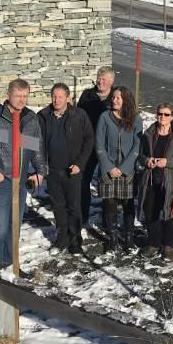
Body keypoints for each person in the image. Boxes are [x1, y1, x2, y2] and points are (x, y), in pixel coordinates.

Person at [0, 78, 44, 269]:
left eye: (25, 96)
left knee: (14, 230)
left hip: (20, 183)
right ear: (8, 95)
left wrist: (40, 172)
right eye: (18, 96)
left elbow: (35, 148)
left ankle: (11, 268)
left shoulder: (30, 118)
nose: (21, 100)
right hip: (0, 183)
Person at [37, 83, 95, 255]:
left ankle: (75, 239)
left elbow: (89, 139)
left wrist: (80, 163)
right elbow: (35, 141)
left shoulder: (78, 115)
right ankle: (62, 237)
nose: (56, 100)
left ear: (68, 98)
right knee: (58, 206)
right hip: (52, 169)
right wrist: (41, 164)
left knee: (74, 206)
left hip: (73, 170)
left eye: (60, 97)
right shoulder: (43, 116)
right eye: (54, 96)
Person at [137, 103, 173, 260]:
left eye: (166, 114)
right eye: (160, 114)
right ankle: (153, 243)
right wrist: (146, 160)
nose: (162, 117)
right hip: (151, 179)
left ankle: (168, 245)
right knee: (150, 211)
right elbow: (140, 155)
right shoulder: (149, 134)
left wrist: (167, 162)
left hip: (170, 180)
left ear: (172, 117)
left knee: (170, 212)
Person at [96, 86, 142, 252]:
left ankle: (129, 237)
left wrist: (124, 168)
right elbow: (99, 143)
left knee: (128, 203)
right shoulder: (104, 117)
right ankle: (113, 238)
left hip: (127, 169)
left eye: (118, 98)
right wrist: (108, 166)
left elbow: (137, 146)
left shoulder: (136, 119)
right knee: (109, 203)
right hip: (108, 167)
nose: (114, 100)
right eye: (113, 97)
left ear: (126, 101)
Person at [77, 66, 115, 225]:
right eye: (99, 78)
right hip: (89, 145)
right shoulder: (87, 95)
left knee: (108, 183)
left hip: (108, 147)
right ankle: (82, 216)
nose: (100, 81)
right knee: (83, 181)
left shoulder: (117, 97)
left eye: (104, 79)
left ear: (111, 82)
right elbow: (77, 117)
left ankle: (107, 220)